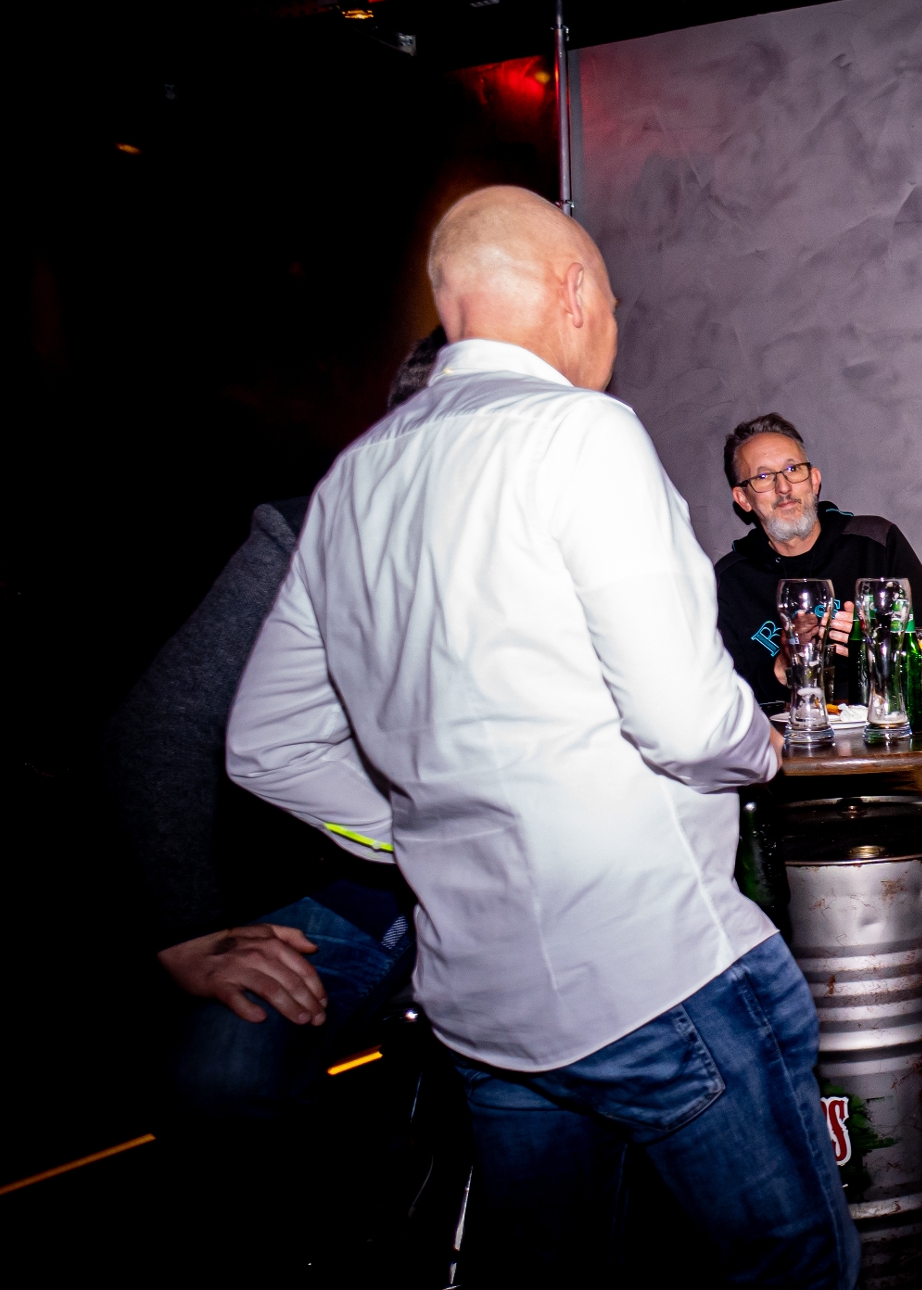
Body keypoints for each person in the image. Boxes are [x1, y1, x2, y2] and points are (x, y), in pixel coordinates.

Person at [225, 186, 857, 1287]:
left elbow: (267, 741)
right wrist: (757, 748)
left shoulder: (353, 482)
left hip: (482, 1001)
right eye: (610, 303)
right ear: (573, 291)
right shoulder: (582, 432)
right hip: (652, 972)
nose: (609, 327)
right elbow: (684, 719)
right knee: (791, 1270)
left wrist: (426, 833)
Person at [108, 330, 445, 1137]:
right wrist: (188, 931)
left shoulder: (556, 540)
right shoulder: (310, 537)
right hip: (364, 885)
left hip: (526, 879)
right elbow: (162, 726)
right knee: (220, 1079)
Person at [713, 412, 922, 706]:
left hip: (883, 728)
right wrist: (783, 666)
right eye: (763, 477)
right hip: (783, 734)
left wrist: (877, 645)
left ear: (814, 480)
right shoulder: (729, 581)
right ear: (743, 499)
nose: (784, 487)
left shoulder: (875, 544)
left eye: (792, 469)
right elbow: (718, 703)